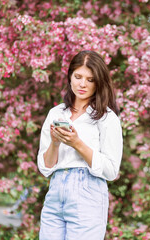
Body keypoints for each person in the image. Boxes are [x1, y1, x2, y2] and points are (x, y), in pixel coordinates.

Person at [37, 50, 123, 240]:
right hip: (56, 190)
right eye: (78, 77)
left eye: (90, 79)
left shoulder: (107, 118)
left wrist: (77, 143)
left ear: (99, 82)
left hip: (88, 193)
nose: (82, 84)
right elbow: (45, 168)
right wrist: (55, 143)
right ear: (70, 77)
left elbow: (111, 170)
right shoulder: (56, 113)